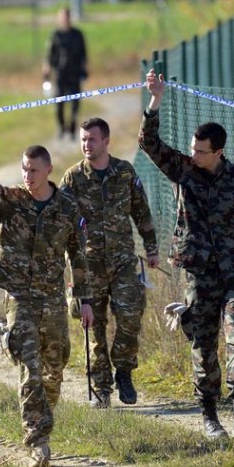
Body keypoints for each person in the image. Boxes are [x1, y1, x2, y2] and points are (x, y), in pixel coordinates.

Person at [0, 141, 93, 467]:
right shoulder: (9, 200)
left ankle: (42, 419)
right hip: (19, 297)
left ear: (49, 171)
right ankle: (37, 441)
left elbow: (79, 256)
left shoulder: (68, 208)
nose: (28, 176)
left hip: (53, 298)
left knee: (53, 372)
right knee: (30, 369)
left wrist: (84, 299)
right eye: (24, 169)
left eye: (34, 170)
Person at [139, 68, 234, 439]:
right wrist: (156, 99)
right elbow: (149, 142)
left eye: (201, 151)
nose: (194, 155)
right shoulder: (183, 171)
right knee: (203, 342)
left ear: (219, 152)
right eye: (192, 148)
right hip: (198, 273)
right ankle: (210, 415)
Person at [59, 117, 159, 409]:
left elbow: (141, 211)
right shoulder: (73, 178)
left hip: (123, 262)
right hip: (87, 266)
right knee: (94, 327)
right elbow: (61, 221)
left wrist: (151, 248)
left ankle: (124, 370)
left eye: (92, 139)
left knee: (130, 314)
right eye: (83, 140)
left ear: (106, 141)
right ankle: (102, 387)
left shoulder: (124, 172)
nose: (86, 145)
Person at [43, 7, 87, 139]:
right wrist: (46, 68)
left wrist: (85, 70)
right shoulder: (55, 35)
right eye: (63, 17)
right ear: (59, 19)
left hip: (74, 74)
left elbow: (84, 54)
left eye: (67, 17)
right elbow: (49, 54)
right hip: (60, 74)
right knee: (59, 104)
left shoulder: (78, 34)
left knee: (75, 104)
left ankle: (73, 129)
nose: (65, 20)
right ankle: (61, 127)